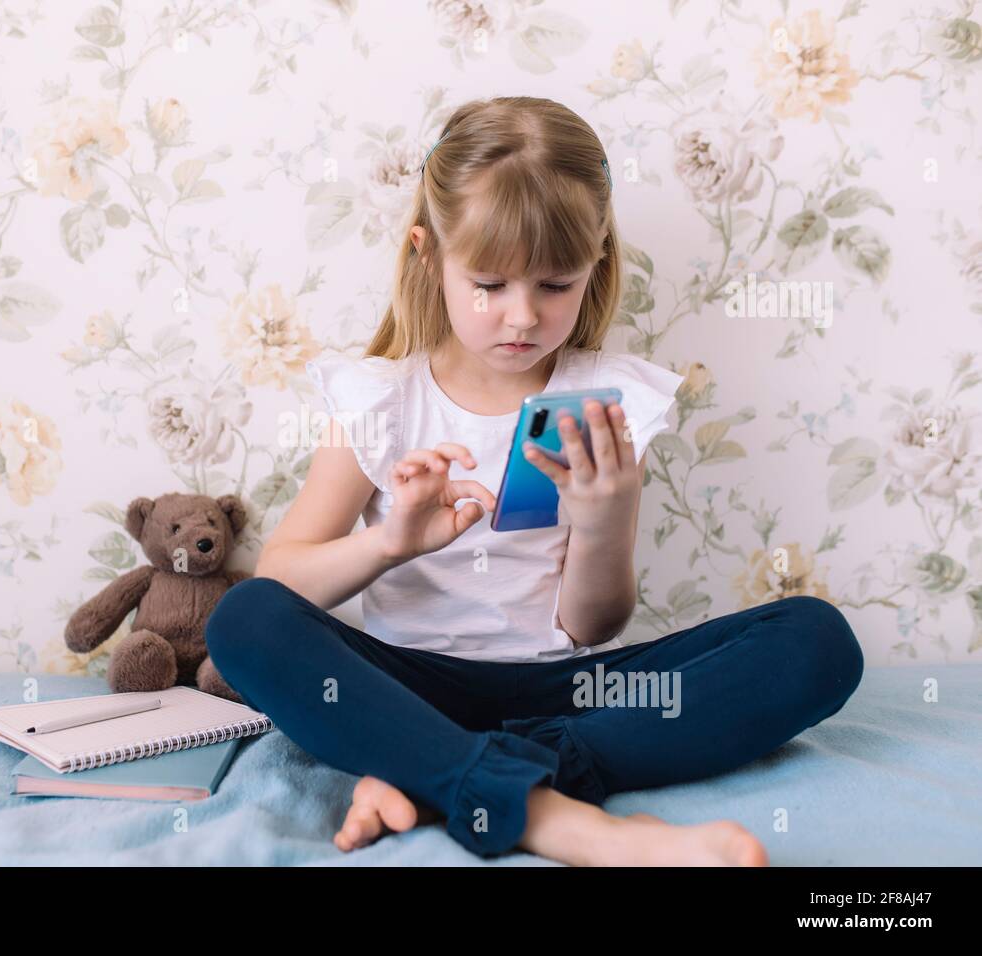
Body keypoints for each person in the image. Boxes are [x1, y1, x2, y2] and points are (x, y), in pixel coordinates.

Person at [205, 95, 863, 864]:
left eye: (554, 286)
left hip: (569, 695)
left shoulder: (606, 402)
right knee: (244, 620)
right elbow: (282, 579)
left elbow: (593, 628)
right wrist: (389, 543)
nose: (521, 318)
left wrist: (605, 518)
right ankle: (564, 822)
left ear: (596, 266)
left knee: (817, 642)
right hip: (405, 688)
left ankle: (436, 773)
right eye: (489, 284)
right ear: (428, 253)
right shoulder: (380, 400)